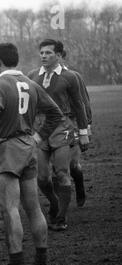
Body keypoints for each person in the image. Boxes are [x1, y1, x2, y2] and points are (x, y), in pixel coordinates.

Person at [0, 43, 64, 265]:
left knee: (10, 210)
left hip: (7, 149)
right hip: (29, 148)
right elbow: (56, 114)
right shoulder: (31, 83)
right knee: (34, 208)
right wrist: (38, 137)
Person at [27, 39, 89, 231]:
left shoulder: (70, 77)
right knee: (42, 178)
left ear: (58, 55)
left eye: (48, 53)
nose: (44, 56)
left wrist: (84, 131)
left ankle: (61, 218)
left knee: (62, 172)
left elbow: (79, 104)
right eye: (42, 53)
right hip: (40, 128)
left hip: (63, 126)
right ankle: (54, 204)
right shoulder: (32, 76)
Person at [60, 49, 92, 207]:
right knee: (56, 167)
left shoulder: (74, 76)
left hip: (72, 124)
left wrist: (87, 126)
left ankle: (79, 185)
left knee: (72, 164)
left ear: (61, 57)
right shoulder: (42, 77)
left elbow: (84, 102)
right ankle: (59, 205)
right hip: (50, 127)